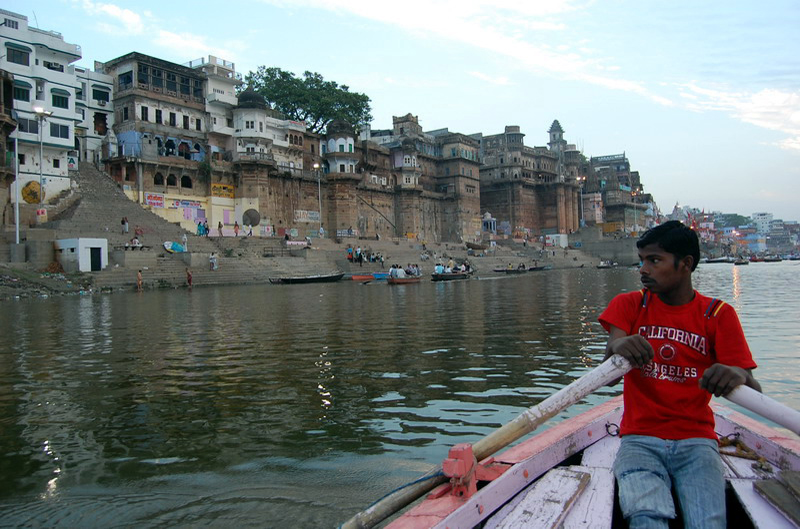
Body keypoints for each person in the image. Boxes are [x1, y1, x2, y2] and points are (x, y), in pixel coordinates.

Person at [598, 220, 760, 529]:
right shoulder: (629, 305)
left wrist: (737, 374)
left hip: (697, 441)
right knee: (646, 517)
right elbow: (610, 372)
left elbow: (754, 390)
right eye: (642, 260)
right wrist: (620, 345)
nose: (643, 269)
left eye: (654, 260)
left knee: (708, 523)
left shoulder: (718, 315)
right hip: (639, 439)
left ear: (685, 264)